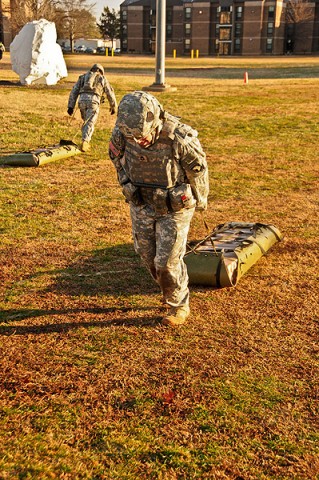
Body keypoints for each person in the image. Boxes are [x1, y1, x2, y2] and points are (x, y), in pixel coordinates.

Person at [109, 91, 209, 326]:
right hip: (141, 203)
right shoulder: (123, 134)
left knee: (167, 261)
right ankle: (168, 287)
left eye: (143, 137)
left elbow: (198, 171)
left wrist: (201, 199)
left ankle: (178, 304)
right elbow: (115, 158)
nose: (138, 142)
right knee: (147, 255)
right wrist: (126, 184)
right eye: (133, 138)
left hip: (174, 207)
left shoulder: (179, 138)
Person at [67, 63, 117, 152]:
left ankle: (84, 139)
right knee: (90, 122)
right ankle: (85, 142)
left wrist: (71, 106)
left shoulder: (82, 77)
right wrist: (113, 106)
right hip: (94, 102)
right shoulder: (102, 78)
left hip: (81, 101)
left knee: (86, 121)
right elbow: (110, 92)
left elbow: (74, 91)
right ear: (101, 71)